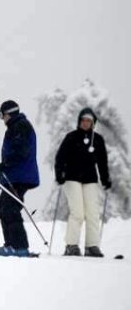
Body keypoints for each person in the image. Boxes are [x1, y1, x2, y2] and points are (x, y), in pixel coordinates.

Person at [54, 107, 112, 257]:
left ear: (93, 123)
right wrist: (59, 174)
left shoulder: (97, 139)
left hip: (90, 179)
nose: (86, 123)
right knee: (78, 212)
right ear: (79, 121)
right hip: (71, 178)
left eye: (89, 121)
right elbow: (60, 158)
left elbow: (102, 162)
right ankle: (71, 245)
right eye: (83, 120)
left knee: (93, 213)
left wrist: (105, 179)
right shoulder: (71, 137)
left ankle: (91, 246)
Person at [0, 100, 40, 257]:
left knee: (9, 209)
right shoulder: (16, 126)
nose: (2, 119)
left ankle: (19, 247)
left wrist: (3, 167)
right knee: (3, 209)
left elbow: (20, 152)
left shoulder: (20, 126)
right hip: (15, 176)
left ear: (8, 114)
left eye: (1, 115)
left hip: (21, 176)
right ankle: (11, 245)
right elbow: (14, 156)